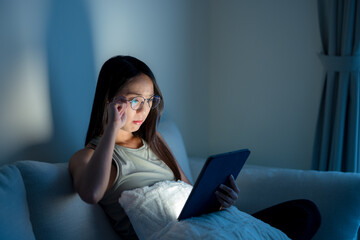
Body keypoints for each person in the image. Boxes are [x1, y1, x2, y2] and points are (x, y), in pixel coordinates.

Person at [69, 55, 321, 240]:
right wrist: (112, 127)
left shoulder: (156, 143)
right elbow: (91, 194)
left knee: (305, 212)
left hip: (204, 227)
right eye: (135, 100)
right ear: (110, 101)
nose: (143, 111)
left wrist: (221, 202)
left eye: (149, 100)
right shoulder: (86, 157)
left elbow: (190, 196)